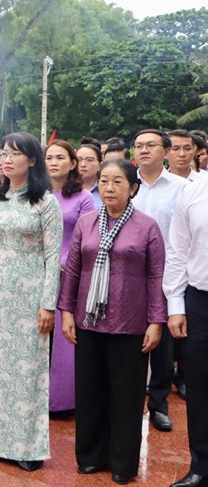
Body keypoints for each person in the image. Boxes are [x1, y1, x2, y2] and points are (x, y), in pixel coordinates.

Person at [58, 159, 165, 484]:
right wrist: (66, 311)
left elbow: (156, 274)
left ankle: (122, 463)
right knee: (90, 392)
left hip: (130, 323)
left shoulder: (147, 227)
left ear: (133, 188)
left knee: (126, 396)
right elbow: (74, 270)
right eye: (104, 181)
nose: (109, 187)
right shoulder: (87, 223)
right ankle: (90, 456)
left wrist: (156, 321)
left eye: (117, 182)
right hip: (88, 321)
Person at [0, 132, 62, 472]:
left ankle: (26, 447)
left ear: (33, 160)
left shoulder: (45, 203)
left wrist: (48, 304)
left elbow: (53, 258)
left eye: (15, 154)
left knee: (27, 371)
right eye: (3, 154)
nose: (6, 160)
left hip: (30, 293)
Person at [132, 129, 188, 433]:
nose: (143, 150)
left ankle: (159, 404)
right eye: (139, 146)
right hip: (129, 274)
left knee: (163, 344)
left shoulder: (182, 188)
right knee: (129, 340)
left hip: (167, 274)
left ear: (165, 151)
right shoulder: (127, 184)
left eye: (150, 145)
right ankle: (129, 401)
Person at [165, 173, 208, 487]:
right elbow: (177, 250)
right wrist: (176, 304)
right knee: (201, 385)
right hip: (200, 300)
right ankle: (201, 466)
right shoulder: (194, 192)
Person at [45, 139, 95, 414]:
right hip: (38, 272)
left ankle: (63, 400)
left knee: (66, 338)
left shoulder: (84, 198)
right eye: (49, 157)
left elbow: (86, 237)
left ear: (73, 163)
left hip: (69, 273)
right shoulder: (37, 193)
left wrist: (63, 262)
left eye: (60, 157)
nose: (53, 162)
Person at [77, 142, 103, 208]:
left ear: (100, 164)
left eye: (89, 160)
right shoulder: (65, 189)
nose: (83, 164)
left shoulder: (105, 189)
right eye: (79, 160)